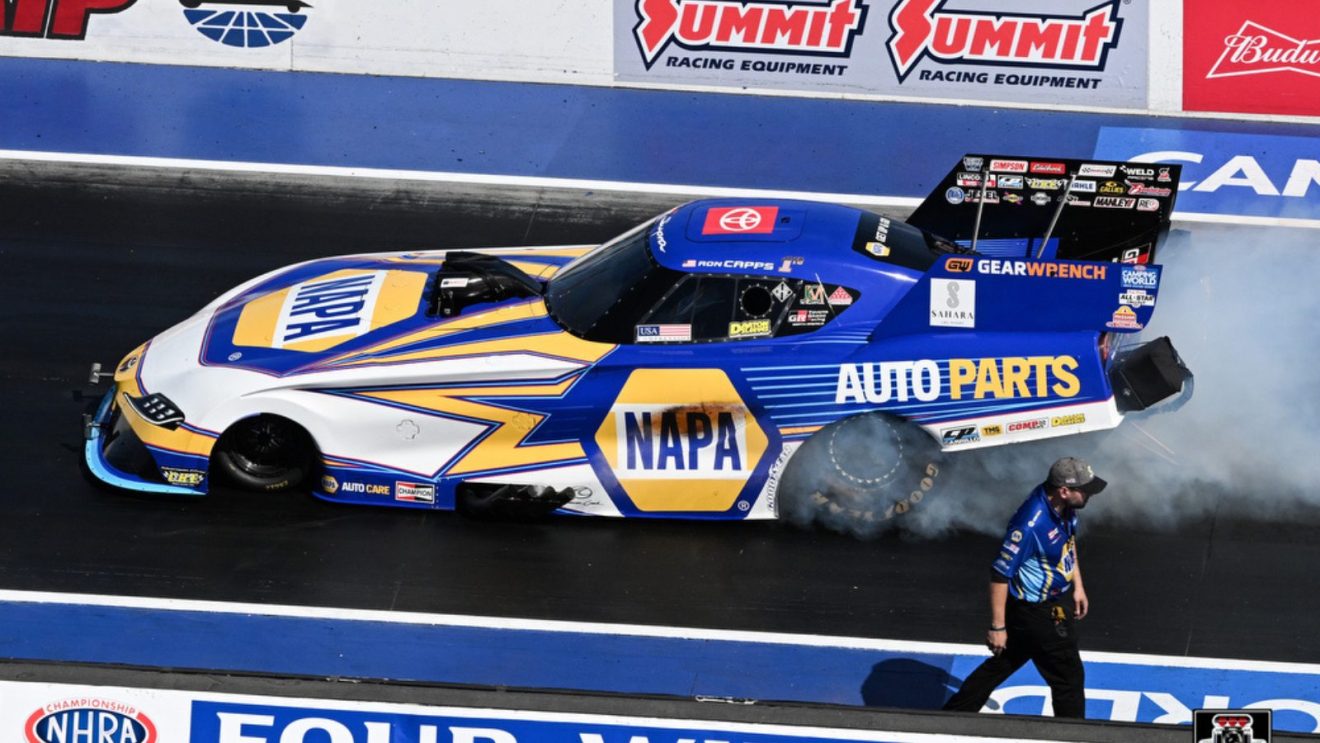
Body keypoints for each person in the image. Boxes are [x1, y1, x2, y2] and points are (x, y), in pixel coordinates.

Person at [942, 456, 1107, 719]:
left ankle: (951, 716)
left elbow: (1068, 541)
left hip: (1041, 605)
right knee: (1068, 679)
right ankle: (1073, 734)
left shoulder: (1064, 506)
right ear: (1064, 491)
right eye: (1084, 490)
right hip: (1037, 612)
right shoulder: (1030, 525)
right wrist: (997, 627)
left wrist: (1078, 585)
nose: (1089, 495)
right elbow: (999, 573)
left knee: (1005, 662)